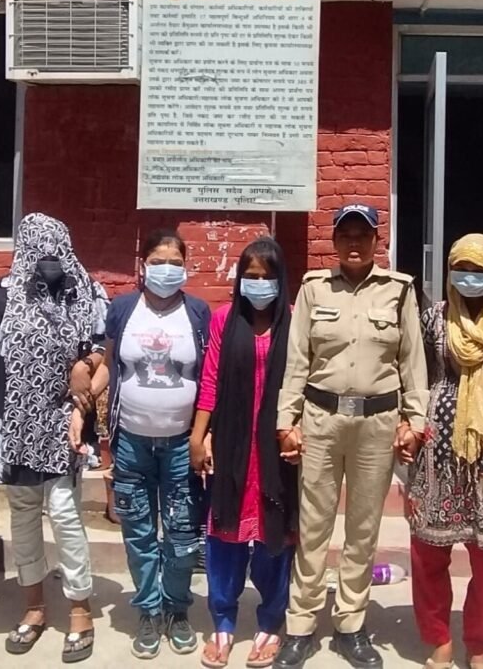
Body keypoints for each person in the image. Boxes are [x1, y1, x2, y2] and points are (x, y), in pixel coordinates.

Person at [274, 203, 429, 669]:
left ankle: (350, 625)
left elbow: (412, 363)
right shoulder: (314, 289)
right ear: (335, 241)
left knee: (363, 529)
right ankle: (300, 626)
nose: (355, 243)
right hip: (321, 420)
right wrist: (287, 422)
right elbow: (297, 361)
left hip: (376, 425)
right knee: (313, 527)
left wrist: (415, 421)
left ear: (377, 241)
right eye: (346, 235)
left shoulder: (398, 291)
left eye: (364, 235)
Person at [0, 213, 108, 661]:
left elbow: (102, 348)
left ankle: (80, 609)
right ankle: (34, 607)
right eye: (38, 252)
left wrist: (85, 367)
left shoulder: (87, 291)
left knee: (64, 512)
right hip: (14, 422)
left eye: (55, 252)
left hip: (65, 418)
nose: (49, 261)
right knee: (23, 513)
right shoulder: (2, 295)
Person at [405, 234, 483, 669]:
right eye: (462, 269)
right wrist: (410, 428)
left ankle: (480, 644)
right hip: (435, 454)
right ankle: (438, 640)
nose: (470, 278)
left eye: (480, 271)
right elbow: (417, 378)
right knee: (427, 555)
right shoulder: (434, 319)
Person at [92, 228, 210, 660]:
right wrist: (82, 401)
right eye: (158, 262)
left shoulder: (197, 312)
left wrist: (205, 435)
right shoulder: (123, 309)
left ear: (186, 267)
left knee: (181, 535)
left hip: (180, 445)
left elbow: (208, 379)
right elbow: (109, 365)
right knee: (138, 532)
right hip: (131, 444)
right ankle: (148, 610)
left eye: (175, 262)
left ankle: (177, 611)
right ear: (142, 265)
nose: (166, 270)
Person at [189, 237, 298, 669]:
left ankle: (271, 620)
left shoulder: (294, 321)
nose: (259, 284)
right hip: (232, 444)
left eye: (267, 277)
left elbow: (305, 380)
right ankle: (223, 622)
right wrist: (200, 436)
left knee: (276, 536)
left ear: (280, 280)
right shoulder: (224, 319)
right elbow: (210, 379)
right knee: (224, 535)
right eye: (251, 276)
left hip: (276, 447)